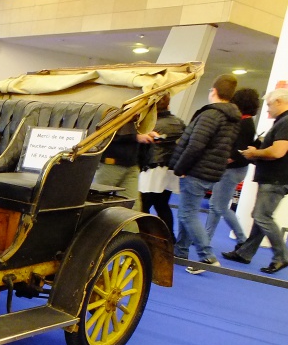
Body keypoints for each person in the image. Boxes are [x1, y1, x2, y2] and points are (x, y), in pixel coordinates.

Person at [169, 74, 241, 274]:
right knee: (188, 211)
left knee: (187, 213)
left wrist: (180, 168)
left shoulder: (210, 114)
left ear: (213, 91)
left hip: (196, 171)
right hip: (211, 172)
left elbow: (195, 145)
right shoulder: (233, 118)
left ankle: (207, 257)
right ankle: (180, 251)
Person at [222, 87, 288, 274]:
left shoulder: (286, 122)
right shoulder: (281, 121)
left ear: (279, 102)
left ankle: (281, 256)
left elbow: (277, 152)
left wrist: (255, 152)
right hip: (273, 177)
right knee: (260, 217)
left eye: (269, 105)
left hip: (275, 178)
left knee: (262, 216)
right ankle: (245, 252)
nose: (266, 110)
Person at [205, 88, 260, 248]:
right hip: (235, 169)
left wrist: (218, 161)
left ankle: (241, 239)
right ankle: (206, 237)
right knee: (217, 206)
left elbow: (238, 151)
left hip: (232, 169)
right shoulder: (245, 121)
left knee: (219, 206)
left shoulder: (244, 123)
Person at [139, 94, 185, 241]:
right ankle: (169, 238)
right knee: (162, 205)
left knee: (142, 206)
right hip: (170, 170)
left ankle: (142, 237)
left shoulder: (149, 125)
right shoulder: (179, 122)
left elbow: (143, 151)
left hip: (151, 169)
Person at [94, 121, 157, 211]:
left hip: (132, 165)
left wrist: (146, 134)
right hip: (112, 164)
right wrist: (136, 137)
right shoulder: (116, 114)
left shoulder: (142, 117)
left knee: (133, 206)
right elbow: (106, 136)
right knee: (97, 202)